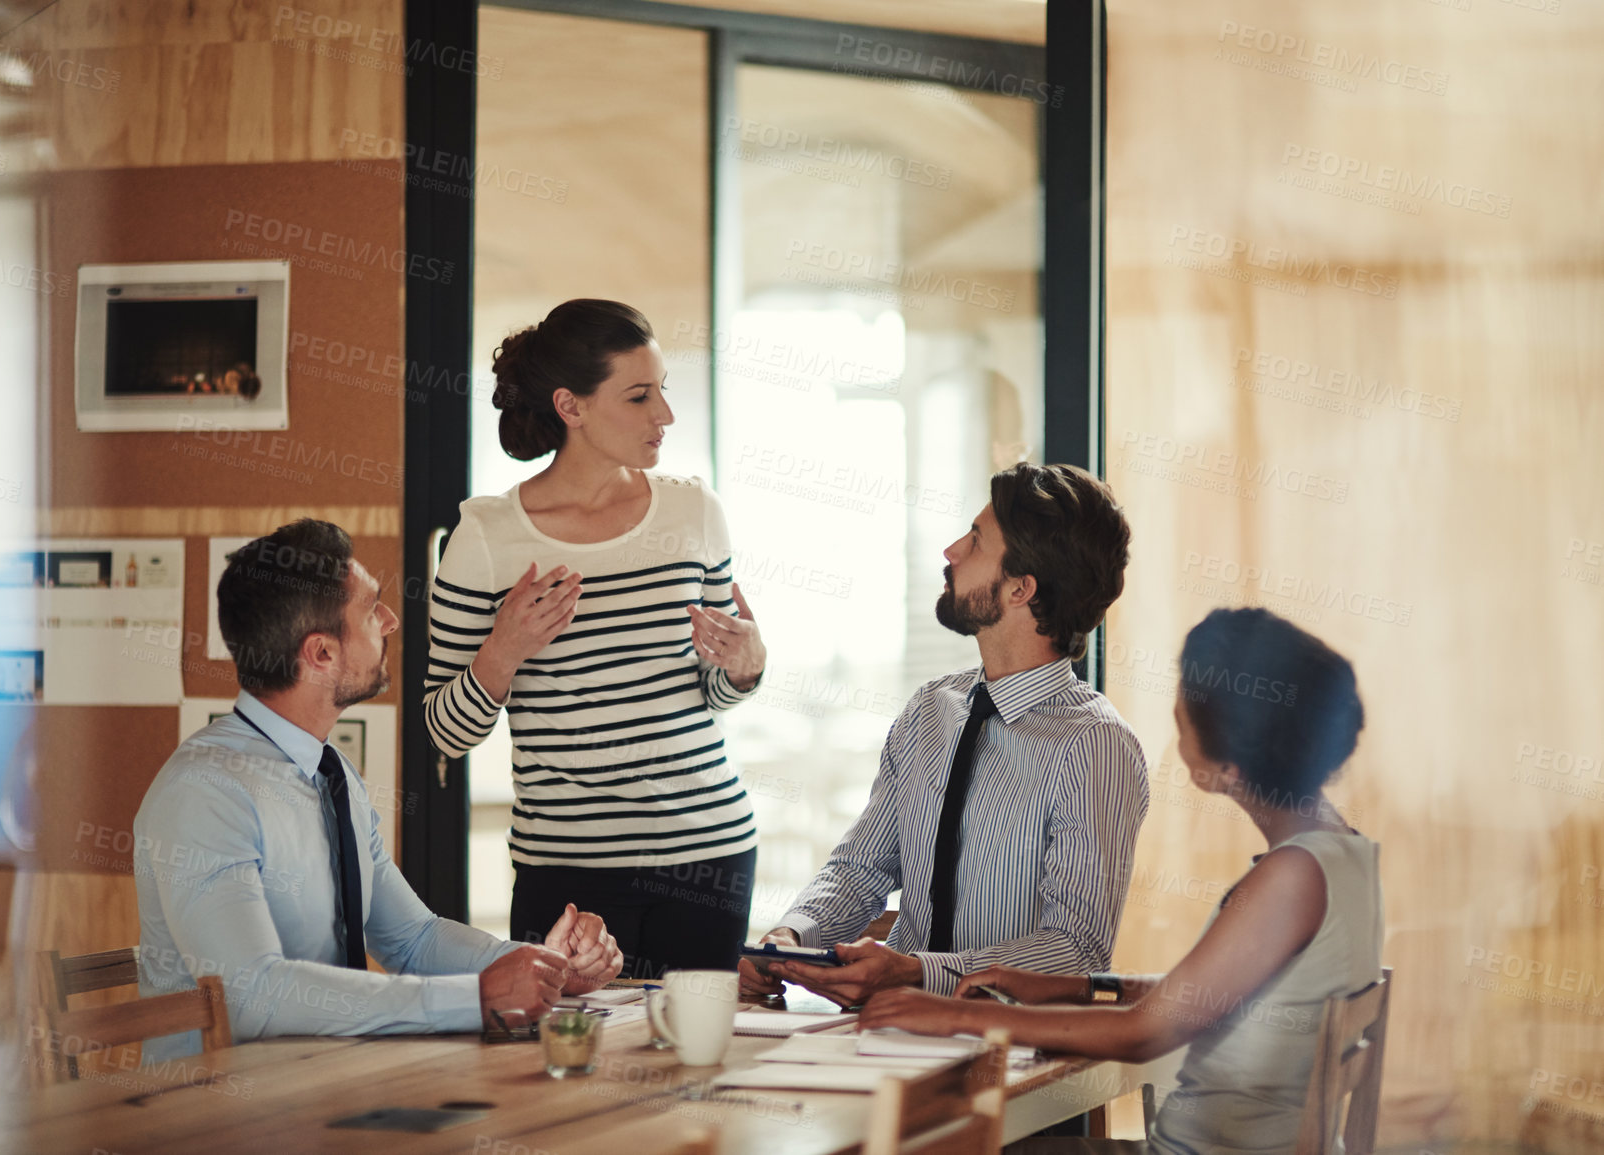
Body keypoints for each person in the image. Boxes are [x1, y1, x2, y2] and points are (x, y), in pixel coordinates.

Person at [859, 608, 1381, 1155]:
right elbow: (1208, 995)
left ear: (1231, 765)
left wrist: (957, 1015)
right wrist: (1077, 987)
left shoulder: (1290, 879)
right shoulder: (1342, 853)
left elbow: (1146, 1033)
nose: (1175, 707)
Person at [134, 520, 622, 1061]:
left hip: (323, 1088)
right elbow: (251, 998)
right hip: (210, 1119)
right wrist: (476, 997)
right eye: (371, 609)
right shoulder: (206, 794)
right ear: (320, 653)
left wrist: (541, 967)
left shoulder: (333, 772)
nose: (389, 621)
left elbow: (412, 939)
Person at [423, 299, 767, 979]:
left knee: (689, 1064)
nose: (664, 414)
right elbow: (444, 732)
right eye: (638, 396)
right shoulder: (487, 538)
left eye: (662, 390)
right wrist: (502, 650)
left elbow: (710, 689)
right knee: (563, 1058)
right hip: (566, 868)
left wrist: (746, 667)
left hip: (708, 852)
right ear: (570, 407)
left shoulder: (695, 510)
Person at [741, 462, 1148, 1006]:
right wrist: (791, 938)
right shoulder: (932, 709)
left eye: (976, 542)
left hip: (1012, 1051)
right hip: (885, 1028)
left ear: (1021, 589)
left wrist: (917, 974)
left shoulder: (1095, 746)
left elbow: (1076, 950)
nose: (951, 550)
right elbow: (861, 867)